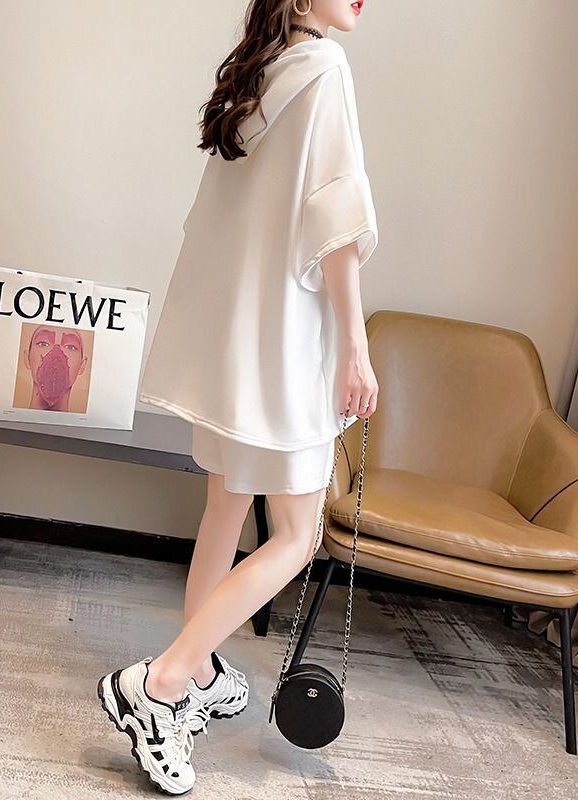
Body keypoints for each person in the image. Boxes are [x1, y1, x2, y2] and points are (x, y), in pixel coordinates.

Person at [97, 0, 378, 794]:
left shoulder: (259, 75)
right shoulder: (325, 68)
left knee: (226, 507)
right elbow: (335, 221)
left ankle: (200, 671)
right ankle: (160, 685)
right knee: (296, 535)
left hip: (237, 344)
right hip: (286, 349)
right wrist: (355, 347)